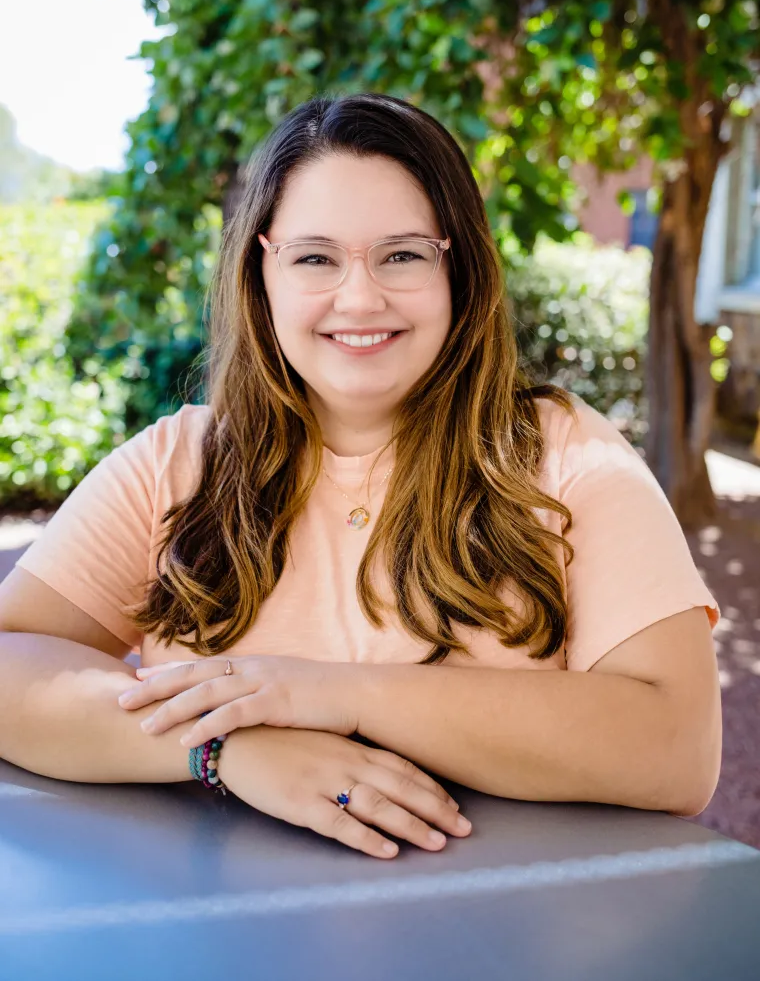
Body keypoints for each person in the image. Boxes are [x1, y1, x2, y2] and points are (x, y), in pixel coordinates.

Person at [0, 92, 721, 861]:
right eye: (315, 257)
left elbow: (676, 750)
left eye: (402, 254)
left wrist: (328, 695)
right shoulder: (176, 463)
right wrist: (227, 750)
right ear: (262, 274)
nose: (360, 296)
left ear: (460, 270)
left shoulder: (565, 453)